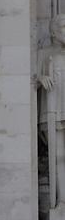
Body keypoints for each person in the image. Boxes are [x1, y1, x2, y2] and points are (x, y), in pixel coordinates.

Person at [40, 14, 65, 209]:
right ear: (54, 32)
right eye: (63, 27)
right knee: (58, 157)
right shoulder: (45, 54)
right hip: (55, 110)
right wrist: (41, 77)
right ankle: (61, 201)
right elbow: (32, 76)